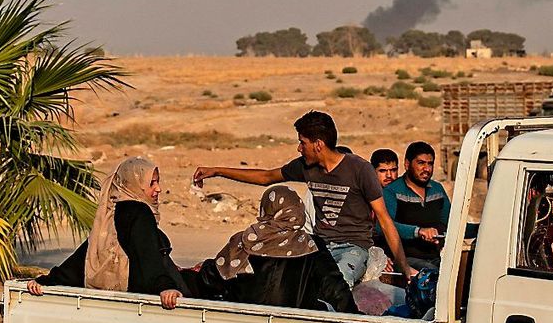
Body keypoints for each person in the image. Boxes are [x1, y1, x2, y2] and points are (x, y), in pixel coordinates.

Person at [193, 110, 412, 288]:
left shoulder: (359, 169)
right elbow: (266, 176)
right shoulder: (306, 167)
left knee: (337, 283)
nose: (299, 148)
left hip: (352, 247)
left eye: (302, 142)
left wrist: (404, 268)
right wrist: (217, 171)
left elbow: (384, 220)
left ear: (318, 145)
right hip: (317, 245)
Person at [26, 157, 188, 310]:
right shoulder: (138, 212)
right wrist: (166, 287)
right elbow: (147, 255)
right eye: (151, 183)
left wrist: (50, 280)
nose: (158, 189)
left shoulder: (113, 211)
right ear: (134, 184)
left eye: (157, 182)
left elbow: (90, 254)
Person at [192, 185, 358, 312]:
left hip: (245, 322)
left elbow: (212, 278)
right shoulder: (311, 244)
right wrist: (355, 317)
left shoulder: (245, 240)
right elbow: (335, 288)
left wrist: (199, 269)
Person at [382, 142, 451, 270]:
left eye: (430, 164)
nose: (427, 169)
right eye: (421, 163)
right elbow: (384, 226)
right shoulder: (392, 191)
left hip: (436, 257)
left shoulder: (437, 189)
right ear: (407, 164)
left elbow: (450, 222)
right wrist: (418, 231)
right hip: (406, 259)